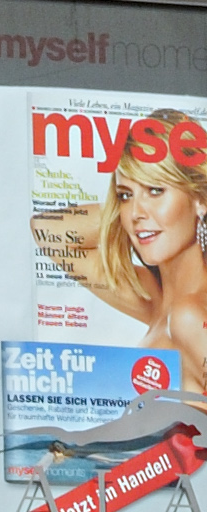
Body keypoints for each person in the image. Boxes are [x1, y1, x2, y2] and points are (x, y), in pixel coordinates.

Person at [34, 116, 207, 401]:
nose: (136, 211)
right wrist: (129, 212)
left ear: (199, 199)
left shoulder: (188, 316)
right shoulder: (155, 300)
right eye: (125, 194)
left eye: (155, 190)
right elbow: (48, 230)